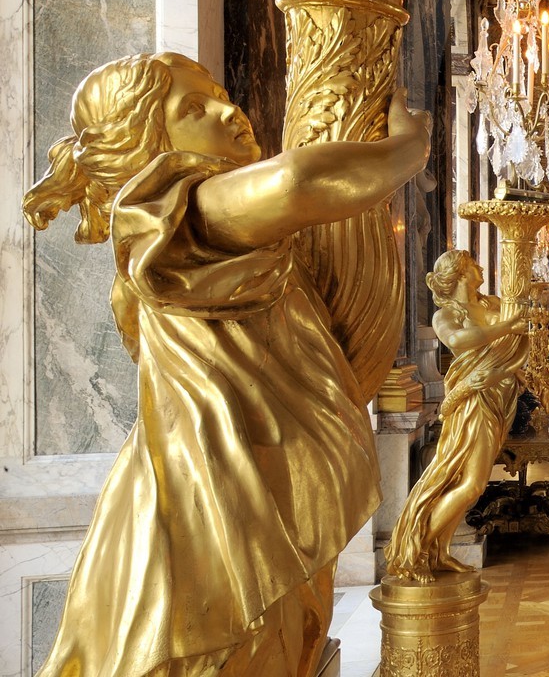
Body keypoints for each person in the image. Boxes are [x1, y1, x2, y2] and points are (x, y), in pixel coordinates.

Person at [21, 52, 430, 676]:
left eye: (217, 91)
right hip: (208, 509)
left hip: (230, 489)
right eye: (192, 108)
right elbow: (297, 182)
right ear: (148, 144)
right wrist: (410, 148)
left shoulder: (197, 231)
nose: (227, 109)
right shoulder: (179, 212)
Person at [385, 249, 525, 582]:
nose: (480, 267)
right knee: (470, 482)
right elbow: (461, 342)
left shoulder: (491, 304)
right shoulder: (446, 314)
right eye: (474, 265)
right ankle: (418, 550)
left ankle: (442, 552)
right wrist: (506, 326)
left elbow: (519, 331)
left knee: (471, 485)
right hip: (471, 401)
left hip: (496, 397)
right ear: (460, 274)